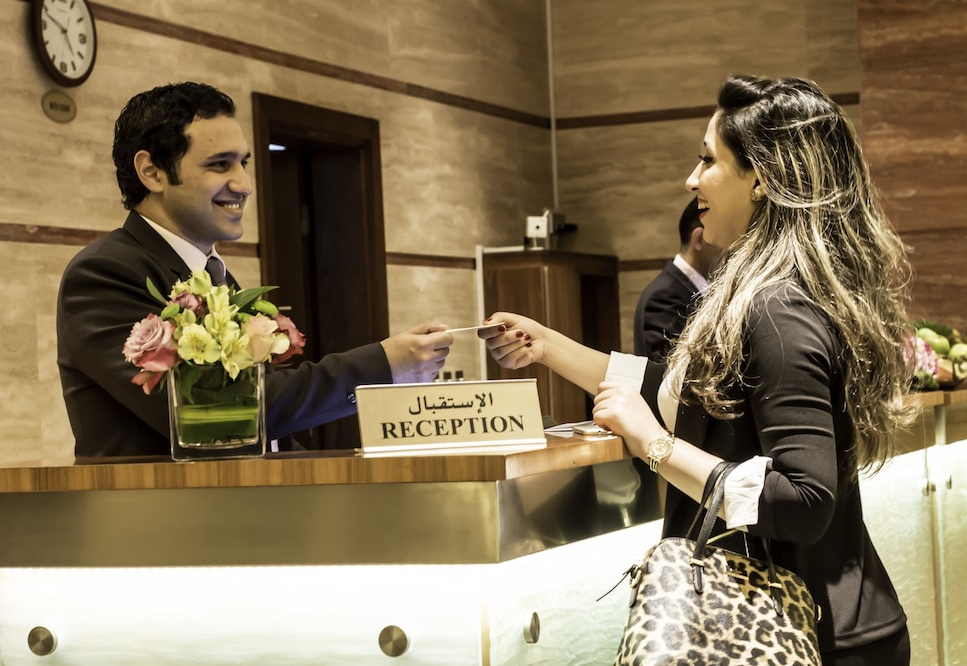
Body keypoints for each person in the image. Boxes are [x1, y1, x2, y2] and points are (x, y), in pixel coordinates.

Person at [478, 74, 917, 665]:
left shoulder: (776, 308)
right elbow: (686, 397)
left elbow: (804, 500)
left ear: (761, 178)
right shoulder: (768, 294)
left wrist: (653, 445)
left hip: (813, 639)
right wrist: (548, 347)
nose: (691, 180)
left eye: (708, 160)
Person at [57, 82, 453, 458]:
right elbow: (220, 415)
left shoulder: (212, 276)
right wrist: (381, 365)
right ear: (152, 171)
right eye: (219, 164)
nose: (245, 184)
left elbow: (265, 433)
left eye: (243, 162)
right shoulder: (103, 275)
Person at [633, 196, 721, 361]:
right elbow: (668, 371)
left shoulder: (690, 290)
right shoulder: (664, 298)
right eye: (725, 239)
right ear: (699, 239)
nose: (734, 249)